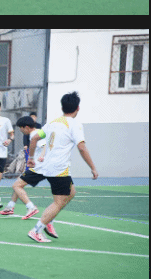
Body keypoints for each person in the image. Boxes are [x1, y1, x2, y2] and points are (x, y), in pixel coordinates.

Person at [26, 91, 98, 243]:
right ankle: (36, 230)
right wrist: (93, 167)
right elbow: (82, 148)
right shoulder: (74, 124)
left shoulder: (52, 123)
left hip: (49, 167)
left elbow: (34, 139)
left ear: (62, 107)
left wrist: (31, 158)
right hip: (59, 170)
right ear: (78, 108)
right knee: (58, 203)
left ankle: (49, 219)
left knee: (71, 192)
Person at [0, 116, 45, 218]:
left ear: (26, 127)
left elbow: (45, 145)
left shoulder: (34, 134)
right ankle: (10, 207)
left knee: (16, 186)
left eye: (21, 128)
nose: (20, 130)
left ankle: (31, 207)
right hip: (40, 167)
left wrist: (41, 156)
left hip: (39, 168)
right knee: (18, 183)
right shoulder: (38, 132)